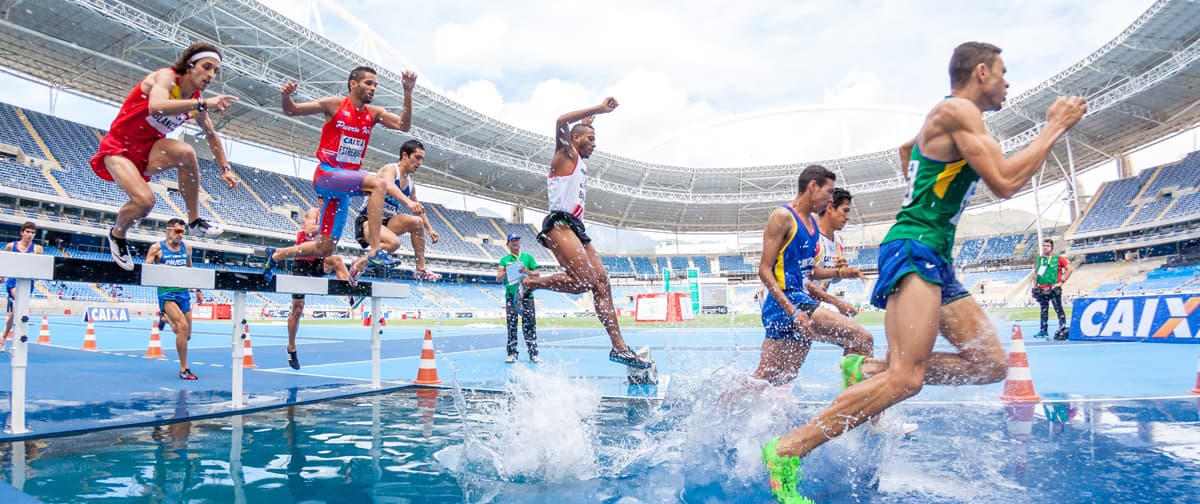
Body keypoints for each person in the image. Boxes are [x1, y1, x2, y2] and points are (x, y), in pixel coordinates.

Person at [761, 42, 1087, 503]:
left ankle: (867, 366)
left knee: (991, 364)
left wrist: (923, 195)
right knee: (906, 379)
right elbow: (1006, 182)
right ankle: (789, 449)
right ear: (980, 72)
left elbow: (907, 148)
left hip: (934, 253)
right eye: (1002, 72)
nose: (1007, 82)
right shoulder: (958, 110)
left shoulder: (950, 119)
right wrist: (1053, 126)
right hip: (916, 249)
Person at [520, 99, 651, 369]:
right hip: (560, 224)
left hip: (577, 227)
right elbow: (560, 122)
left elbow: (578, 130)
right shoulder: (565, 155)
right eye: (590, 138)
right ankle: (531, 284)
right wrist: (597, 109)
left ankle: (619, 347)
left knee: (602, 281)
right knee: (583, 282)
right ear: (575, 139)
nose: (594, 143)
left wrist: (591, 122)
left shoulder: (577, 158)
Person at [91, 42, 240, 270]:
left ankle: (194, 220)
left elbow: (211, 135)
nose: (211, 75)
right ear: (190, 65)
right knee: (144, 202)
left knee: (187, 153)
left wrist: (225, 168)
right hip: (119, 147)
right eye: (207, 67)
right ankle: (117, 234)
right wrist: (202, 103)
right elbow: (156, 106)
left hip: (149, 149)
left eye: (215, 71)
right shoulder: (166, 77)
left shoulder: (196, 101)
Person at [261, 66, 418, 282]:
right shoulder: (333, 105)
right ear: (353, 84)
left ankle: (276, 254)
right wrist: (286, 97)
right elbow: (292, 110)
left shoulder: (374, 114)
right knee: (378, 184)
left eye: (375, 85)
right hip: (327, 175)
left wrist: (407, 92)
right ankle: (374, 252)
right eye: (368, 83)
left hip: (343, 187)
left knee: (325, 247)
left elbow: (403, 125)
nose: (373, 89)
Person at [752, 166, 875, 387]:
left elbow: (810, 272)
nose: (830, 200)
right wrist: (794, 311)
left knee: (775, 377)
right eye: (829, 192)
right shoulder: (782, 216)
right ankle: (857, 410)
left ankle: (721, 406)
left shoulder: (811, 226)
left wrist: (841, 273)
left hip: (799, 302)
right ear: (812, 187)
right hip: (788, 302)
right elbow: (764, 269)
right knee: (862, 338)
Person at [351, 139, 442, 281]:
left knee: (416, 222)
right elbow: (388, 185)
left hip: (387, 223)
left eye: (422, 159)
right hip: (368, 221)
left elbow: (418, 208)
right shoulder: (390, 169)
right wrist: (408, 202)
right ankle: (359, 264)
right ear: (405, 155)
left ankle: (420, 269)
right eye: (417, 158)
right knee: (394, 243)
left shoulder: (411, 183)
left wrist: (429, 229)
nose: (420, 163)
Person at [286, 204, 355, 370]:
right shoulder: (313, 213)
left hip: (318, 262)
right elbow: (309, 229)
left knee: (336, 260)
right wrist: (327, 228)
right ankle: (291, 347)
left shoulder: (333, 218)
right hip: (302, 265)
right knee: (298, 310)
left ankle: (350, 291)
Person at [146, 218, 199, 380]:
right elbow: (145, 270)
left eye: (183, 232)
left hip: (183, 293)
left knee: (186, 334)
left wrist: (197, 290)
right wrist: (158, 267)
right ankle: (184, 368)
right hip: (166, 293)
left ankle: (165, 319)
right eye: (177, 231)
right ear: (168, 230)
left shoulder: (187, 248)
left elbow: (190, 269)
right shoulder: (156, 248)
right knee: (182, 327)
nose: (180, 235)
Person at [497, 233, 539, 363]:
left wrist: (526, 271)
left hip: (527, 296)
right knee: (512, 325)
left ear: (520, 243)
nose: (515, 242)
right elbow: (498, 277)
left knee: (530, 325)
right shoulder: (504, 260)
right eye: (512, 240)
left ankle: (533, 354)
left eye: (517, 240)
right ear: (508, 244)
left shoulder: (528, 257)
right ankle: (512, 354)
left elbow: (537, 274)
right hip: (511, 296)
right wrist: (509, 270)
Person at [2, 222, 44, 351]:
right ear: (22, 232)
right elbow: (3, 261)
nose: (30, 235)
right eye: (28, 232)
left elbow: (39, 266)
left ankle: (3, 337)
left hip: (28, 282)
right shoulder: (11, 246)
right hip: (13, 282)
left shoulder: (38, 249)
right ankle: (14, 340)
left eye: (32, 233)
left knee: (16, 312)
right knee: (21, 304)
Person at [1032, 237, 1072, 340]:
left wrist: (1061, 282)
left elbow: (1070, 269)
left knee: (1058, 308)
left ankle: (1062, 328)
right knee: (1043, 310)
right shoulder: (1039, 259)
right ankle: (1043, 330)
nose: (1045, 247)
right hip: (1042, 289)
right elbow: (1036, 274)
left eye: (1047, 246)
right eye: (1044, 246)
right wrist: (1035, 286)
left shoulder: (1058, 258)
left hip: (1054, 288)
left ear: (1052, 247)